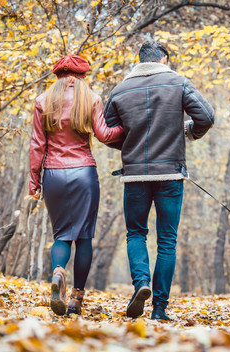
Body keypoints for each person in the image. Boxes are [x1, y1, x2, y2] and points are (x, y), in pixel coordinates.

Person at [104, 41, 215, 320]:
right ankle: (160, 309)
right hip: (170, 174)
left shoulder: (120, 89)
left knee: (136, 233)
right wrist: (187, 131)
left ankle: (141, 283)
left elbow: (109, 131)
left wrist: (131, 146)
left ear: (139, 60)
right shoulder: (177, 82)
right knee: (167, 241)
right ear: (164, 59)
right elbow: (207, 116)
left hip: (135, 176)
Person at [29, 54, 124, 316]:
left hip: (53, 174)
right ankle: (76, 300)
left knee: (61, 235)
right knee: (84, 237)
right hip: (84, 173)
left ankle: (58, 272)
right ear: (83, 76)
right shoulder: (91, 98)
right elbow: (105, 134)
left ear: (57, 76)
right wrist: (127, 129)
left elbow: (38, 144)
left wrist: (34, 180)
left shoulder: (42, 100)